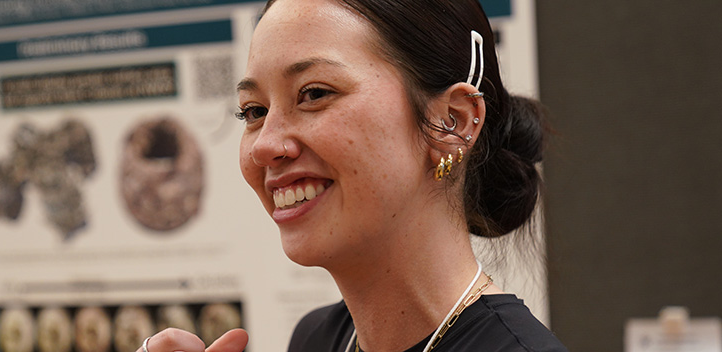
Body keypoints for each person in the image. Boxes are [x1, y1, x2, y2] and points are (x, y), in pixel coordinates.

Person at [140, 0, 568, 351]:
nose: (264, 146)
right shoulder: (318, 339)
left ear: (452, 122)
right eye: (254, 111)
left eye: (314, 94)